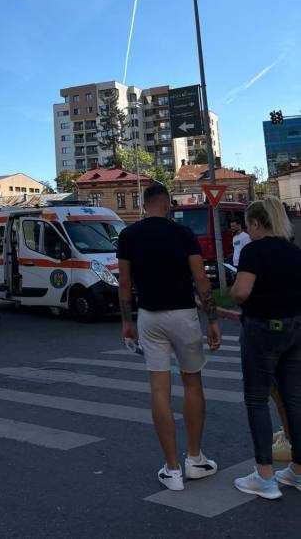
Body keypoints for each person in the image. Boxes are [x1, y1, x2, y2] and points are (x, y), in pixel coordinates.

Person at [117, 182, 221, 491]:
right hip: (185, 315)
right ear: (168, 204)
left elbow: (124, 283)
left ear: (144, 203)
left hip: (150, 316)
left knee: (159, 389)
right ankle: (195, 458)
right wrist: (212, 320)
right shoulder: (183, 234)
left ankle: (172, 469)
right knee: (192, 382)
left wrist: (127, 322)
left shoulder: (129, 235)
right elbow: (201, 280)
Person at [231, 197, 301, 499]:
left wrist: (233, 290)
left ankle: (265, 477)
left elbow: (242, 292)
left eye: (249, 225)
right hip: (295, 328)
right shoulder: (293, 251)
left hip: (262, 330)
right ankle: (298, 472)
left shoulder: (253, 250)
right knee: (295, 401)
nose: (249, 231)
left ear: (257, 223)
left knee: (257, 400)